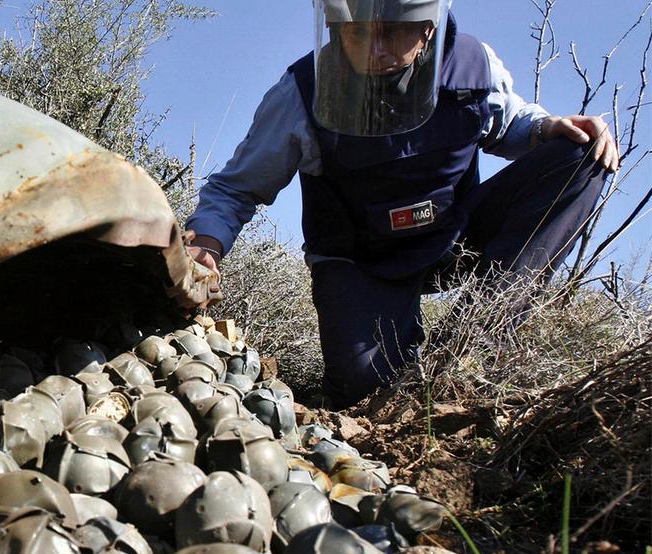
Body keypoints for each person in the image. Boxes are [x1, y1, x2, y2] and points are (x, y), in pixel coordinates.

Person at [184, 0, 618, 409]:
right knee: (364, 392)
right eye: (358, 33)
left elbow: (509, 122)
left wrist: (545, 128)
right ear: (335, 26)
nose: (375, 50)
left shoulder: (472, 66)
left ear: (428, 27)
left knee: (582, 153)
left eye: (392, 33)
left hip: (453, 236)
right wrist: (207, 244)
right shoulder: (302, 92)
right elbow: (235, 189)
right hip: (361, 261)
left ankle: (474, 345)